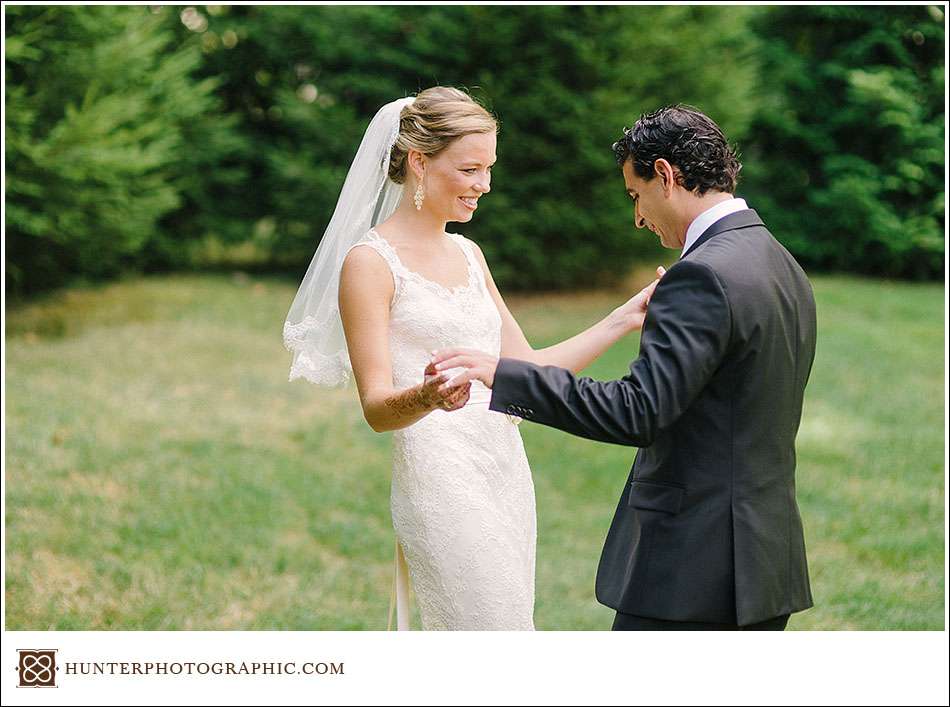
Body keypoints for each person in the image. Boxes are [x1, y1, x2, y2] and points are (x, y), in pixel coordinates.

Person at [283, 87, 661, 630]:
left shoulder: (468, 253)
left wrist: (624, 318)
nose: (484, 185)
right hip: (441, 479)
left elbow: (529, 369)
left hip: (504, 469)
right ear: (418, 161)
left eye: (488, 168)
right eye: (469, 169)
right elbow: (376, 408)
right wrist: (428, 395)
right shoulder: (370, 263)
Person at [432, 104, 817, 631]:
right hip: (762, 559)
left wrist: (507, 374)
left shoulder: (701, 275)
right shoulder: (779, 262)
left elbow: (637, 412)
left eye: (636, 196)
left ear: (665, 174)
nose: (638, 217)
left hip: (692, 568)